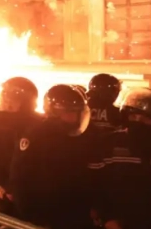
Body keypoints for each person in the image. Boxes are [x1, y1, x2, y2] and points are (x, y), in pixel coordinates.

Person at [8, 84, 98, 229]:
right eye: (69, 113)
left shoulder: (86, 136)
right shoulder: (36, 136)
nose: (74, 118)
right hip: (45, 215)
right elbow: (20, 178)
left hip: (78, 214)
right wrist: (31, 216)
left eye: (77, 112)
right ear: (53, 113)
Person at [0, 77, 42, 227]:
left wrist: (3, 185)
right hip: (5, 193)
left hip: (13, 194)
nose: (3, 98)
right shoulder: (38, 121)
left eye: (7, 95)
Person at [91, 87, 151, 229]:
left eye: (146, 118)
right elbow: (94, 182)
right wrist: (106, 217)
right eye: (134, 117)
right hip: (115, 221)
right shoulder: (108, 143)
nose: (139, 121)